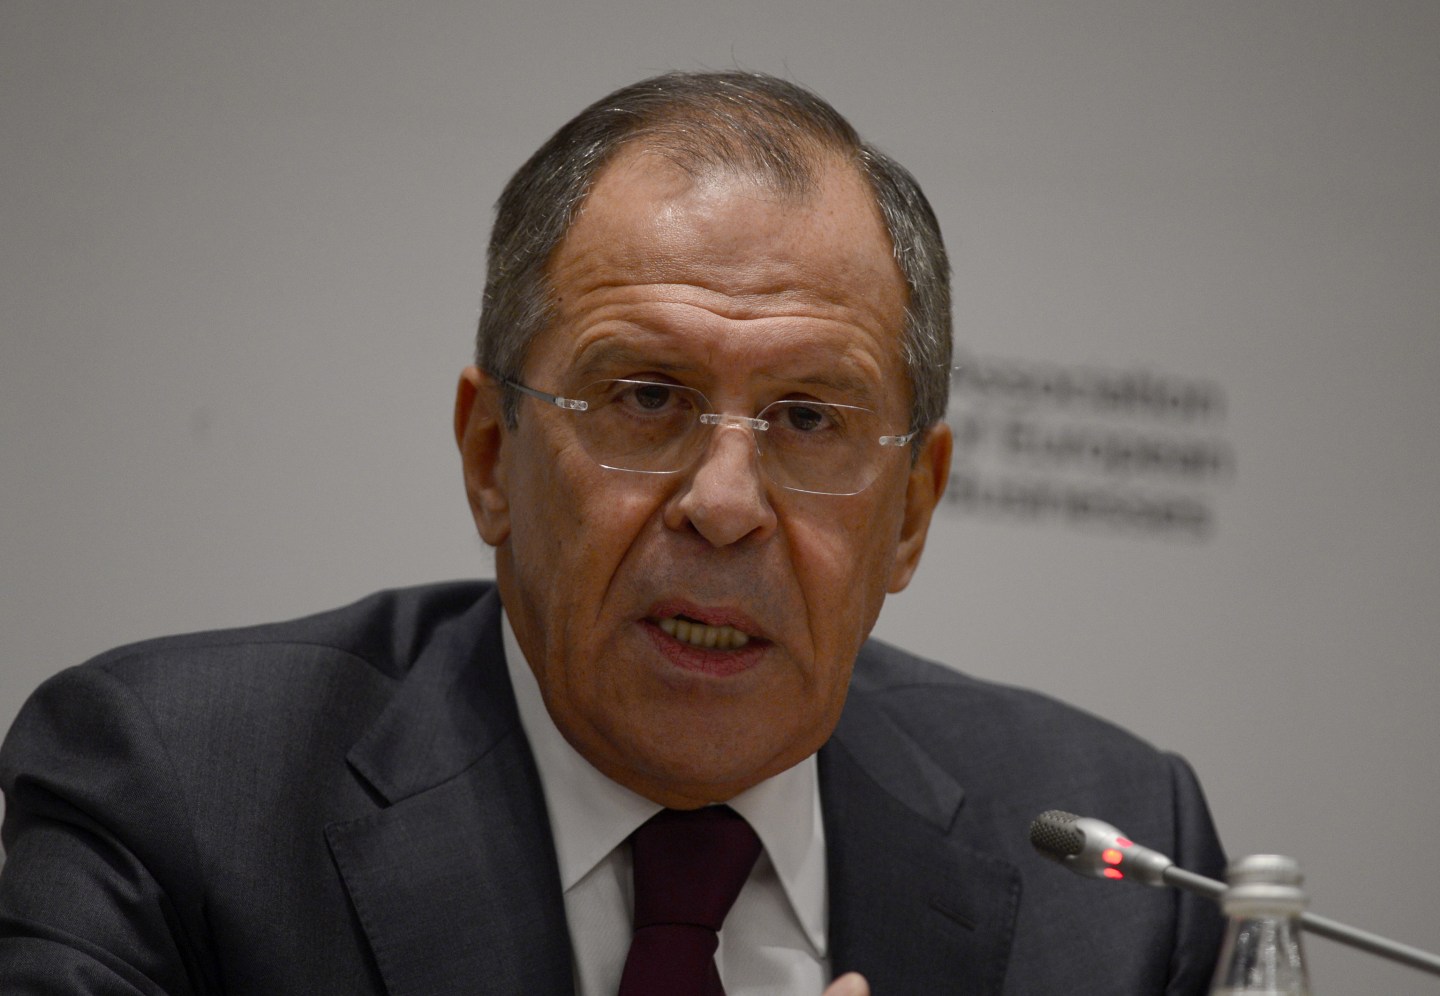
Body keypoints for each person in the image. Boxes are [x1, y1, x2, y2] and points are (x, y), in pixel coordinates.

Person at [0, 71, 1225, 994]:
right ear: (492, 456)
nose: (725, 504)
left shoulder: (1119, 872)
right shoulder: (181, 794)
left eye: (809, 418)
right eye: (645, 398)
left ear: (912, 510)